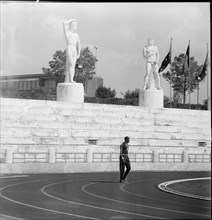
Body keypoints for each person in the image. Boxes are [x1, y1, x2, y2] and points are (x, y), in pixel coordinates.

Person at [63, 19, 81, 83]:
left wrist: (78, 54)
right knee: (70, 64)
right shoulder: (67, 33)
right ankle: (70, 80)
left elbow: (79, 45)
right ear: (72, 25)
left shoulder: (76, 35)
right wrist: (72, 20)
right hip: (69, 48)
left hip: (74, 49)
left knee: (72, 66)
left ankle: (70, 79)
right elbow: (64, 23)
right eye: (75, 25)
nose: (76, 26)